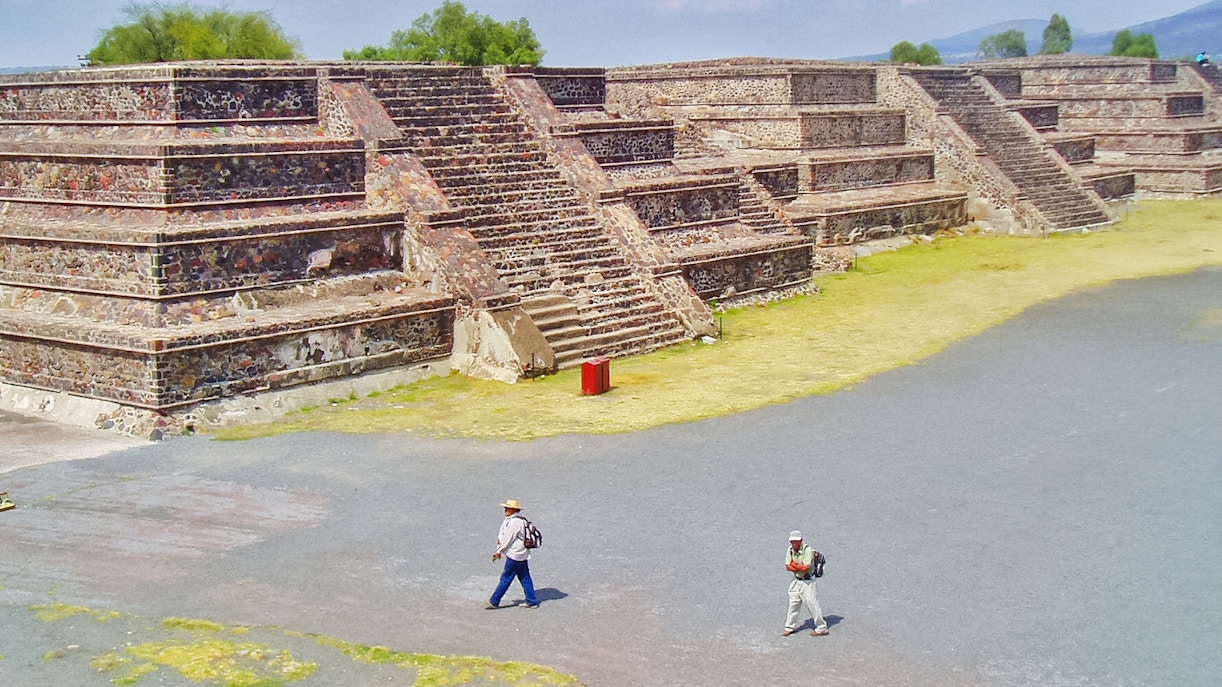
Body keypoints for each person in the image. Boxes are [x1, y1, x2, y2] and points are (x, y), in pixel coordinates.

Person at [486, 499, 540, 609]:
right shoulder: (521, 520)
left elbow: (507, 539)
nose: (505, 509)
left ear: (513, 509)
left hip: (515, 555)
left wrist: (498, 551)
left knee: (506, 577)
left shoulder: (514, 522)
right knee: (525, 577)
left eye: (507, 508)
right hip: (522, 554)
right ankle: (532, 601)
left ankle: (494, 601)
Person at [782, 530, 828, 636]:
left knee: (811, 603)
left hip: (808, 582)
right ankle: (789, 627)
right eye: (792, 541)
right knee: (793, 603)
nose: (794, 543)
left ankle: (822, 627)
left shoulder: (808, 550)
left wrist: (794, 565)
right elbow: (787, 566)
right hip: (796, 581)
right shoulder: (790, 550)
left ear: (801, 541)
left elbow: (806, 568)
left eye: (796, 541)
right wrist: (798, 567)